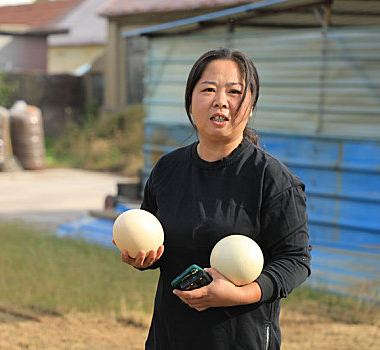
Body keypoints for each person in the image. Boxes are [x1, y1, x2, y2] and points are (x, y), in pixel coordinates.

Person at [115, 48, 312, 349]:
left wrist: (240, 295)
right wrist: (143, 258)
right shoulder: (167, 170)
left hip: (240, 340)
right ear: (190, 101)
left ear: (251, 105)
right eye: (208, 89)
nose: (220, 100)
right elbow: (159, 244)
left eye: (234, 91)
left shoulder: (272, 180)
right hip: (169, 338)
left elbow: (295, 260)